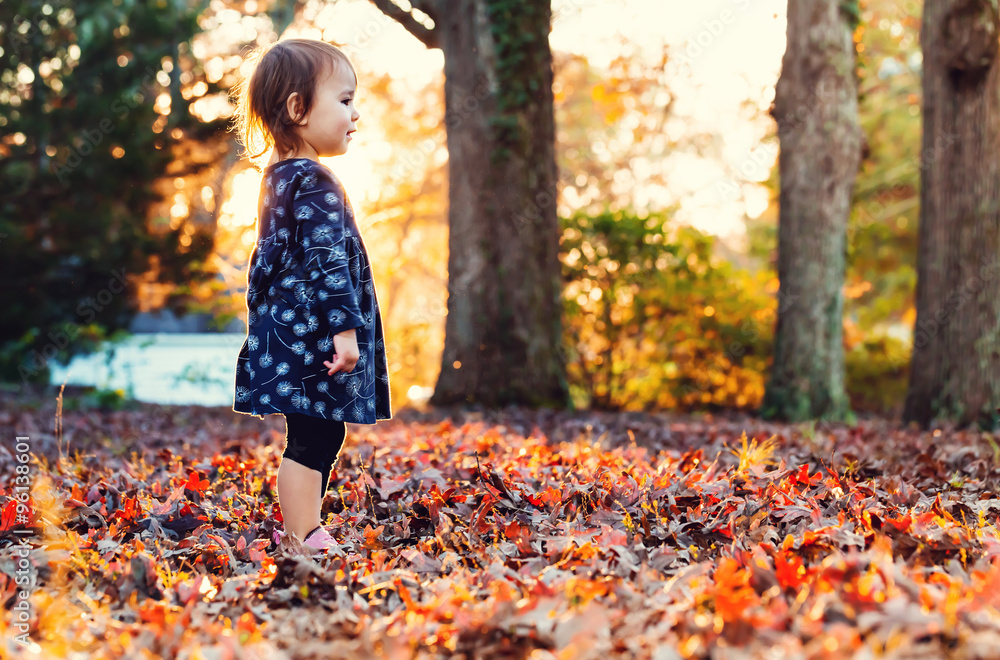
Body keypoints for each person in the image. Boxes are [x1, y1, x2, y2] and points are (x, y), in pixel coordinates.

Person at [228, 38, 392, 554]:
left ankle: (300, 527)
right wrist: (345, 332)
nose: (355, 113)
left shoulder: (277, 179)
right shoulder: (315, 180)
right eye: (344, 101)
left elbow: (268, 264)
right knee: (314, 436)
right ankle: (302, 534)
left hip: (291, 332)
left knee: (315, 432)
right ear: (298, 109)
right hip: (316, 337)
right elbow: (326, 261)